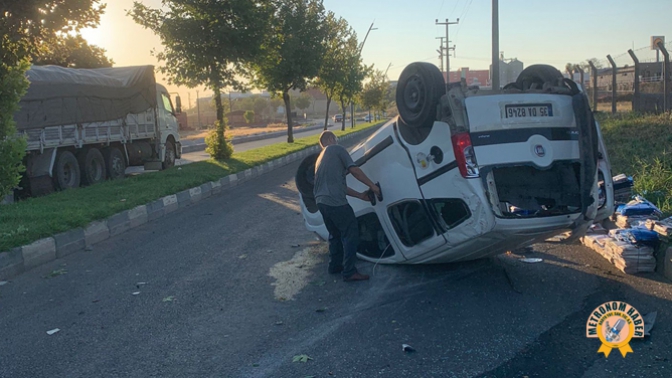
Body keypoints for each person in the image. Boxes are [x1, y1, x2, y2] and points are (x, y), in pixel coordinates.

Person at [313, 131, 381, 282]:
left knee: (334, 234)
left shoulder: (320, 159)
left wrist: (360, 195)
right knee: (351, 231)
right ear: (331, 139)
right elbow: (355, 170)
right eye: (335, 139)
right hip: (335, 202)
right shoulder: (337, 149)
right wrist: (373, 187)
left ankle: (335, 265)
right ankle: (349, 271)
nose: (337, 141)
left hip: (321, 202)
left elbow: (339, 185)